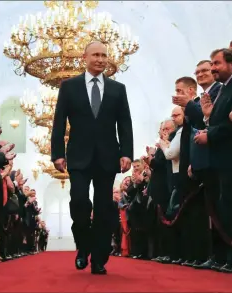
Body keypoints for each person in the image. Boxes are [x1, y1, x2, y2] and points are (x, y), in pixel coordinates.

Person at [51, 41, 134, 275]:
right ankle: (82, 247)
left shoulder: (118, 89)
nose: (100, 59)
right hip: (78, 156)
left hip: (108, 157)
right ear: (85, 58)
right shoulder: (69, 86)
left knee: (103, 208)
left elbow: (125, 124)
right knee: (78, 201)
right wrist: (57, 153)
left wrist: (127, 152)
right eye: (96, 54)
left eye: (104, 55)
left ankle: (99, 258)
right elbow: (59, 123)